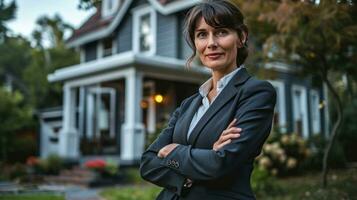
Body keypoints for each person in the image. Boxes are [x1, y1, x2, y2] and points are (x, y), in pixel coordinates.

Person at [140, 0, 276, 199]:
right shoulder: (188, 105)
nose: (211, 43)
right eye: (202, 34)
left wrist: (175, 151)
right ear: (196, 43)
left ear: (241, 37)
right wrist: (188, 176)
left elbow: (221, 163)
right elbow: (147, 163)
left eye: (221, 32)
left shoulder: (256, 93)